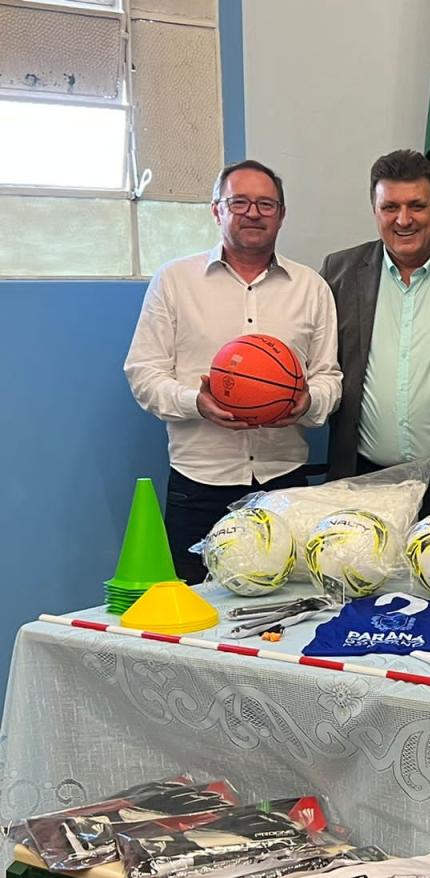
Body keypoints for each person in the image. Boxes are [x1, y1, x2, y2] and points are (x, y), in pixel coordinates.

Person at [124, 160, 340, 585]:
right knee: (195, 609)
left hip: (285, 484)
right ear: (216, 210)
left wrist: (307, 402)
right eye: (239, 202)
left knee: (288, 606)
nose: (253, 213)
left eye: (265, 204)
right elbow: (143, 373)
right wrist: (196, 403)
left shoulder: (311, 287)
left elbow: (329, 377)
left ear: (281, 214)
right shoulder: (174, 280)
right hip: (198, 485)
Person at [321, 150, 430, 514]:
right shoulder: (339, 273)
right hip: (363, 481)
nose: (404, 220)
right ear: (374, 210)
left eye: (416, 206)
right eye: (390, 207)